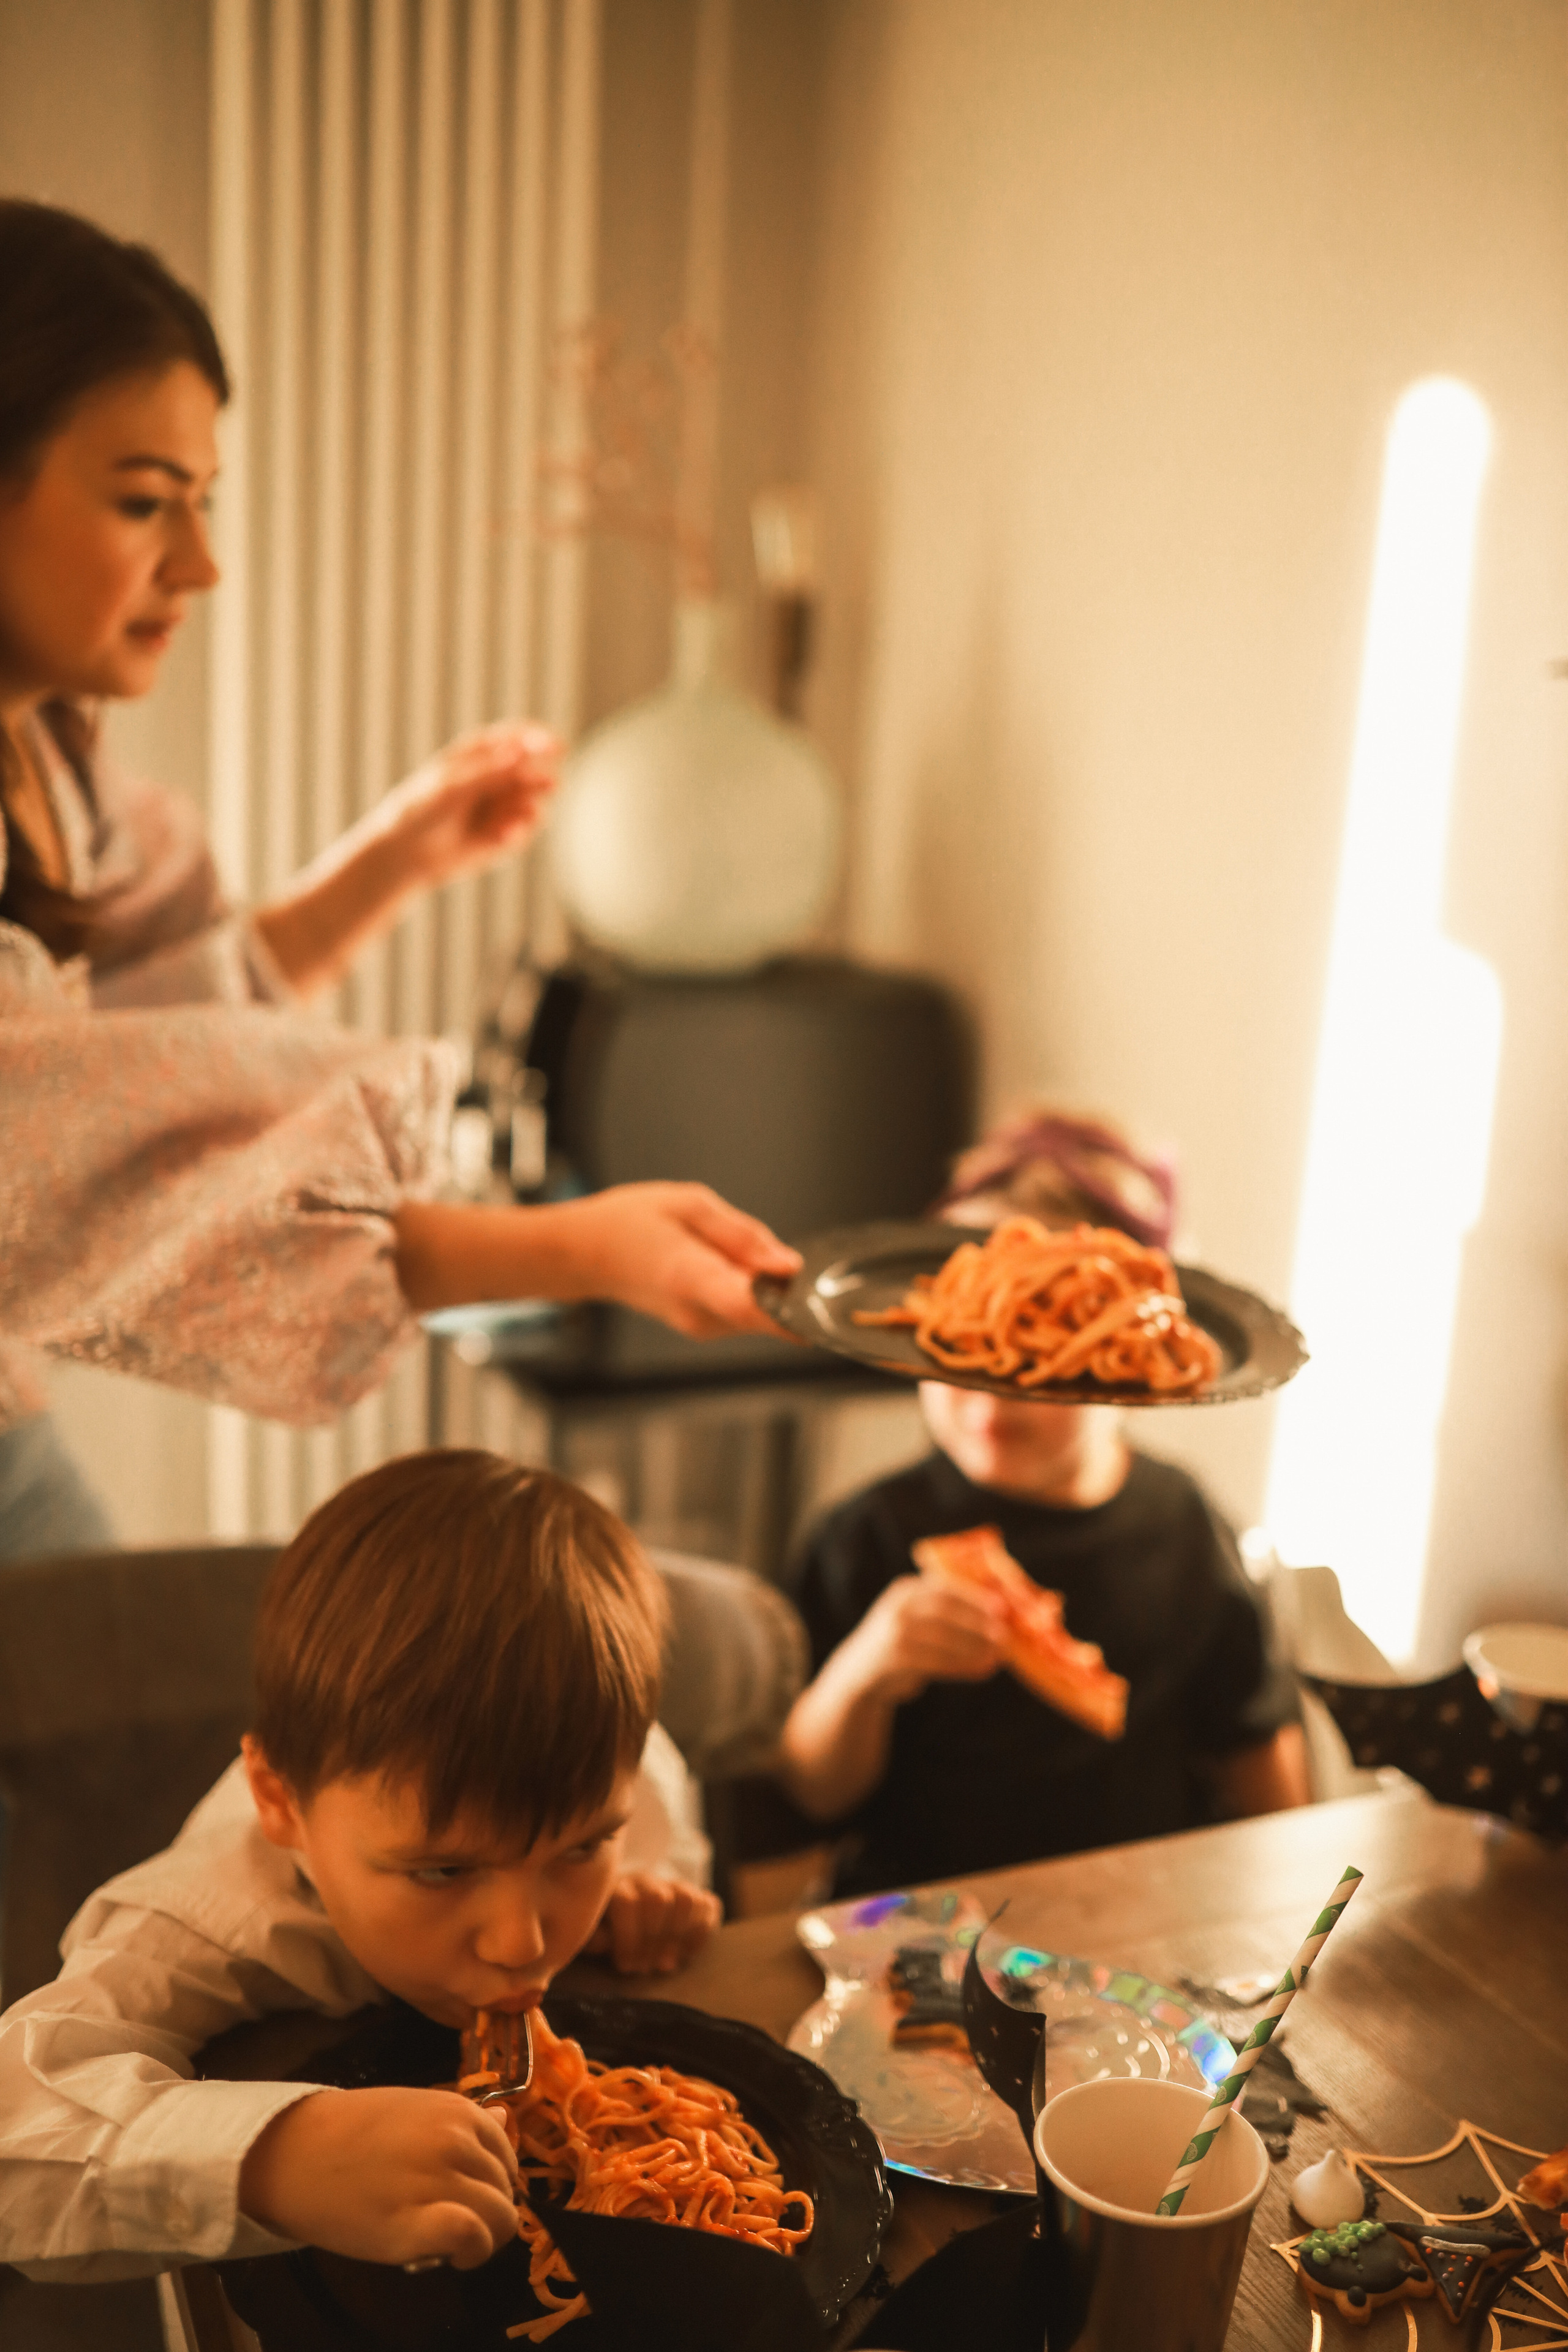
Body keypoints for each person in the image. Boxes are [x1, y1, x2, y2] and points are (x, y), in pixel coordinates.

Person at [0, 200, 797, 1560]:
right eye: (143, 502)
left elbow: (146, 1028)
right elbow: (96, 1179)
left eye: (203, 503)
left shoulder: (47, 746)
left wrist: (399, 857)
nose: (199, 565)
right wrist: (581, 1253)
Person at [0, 1448, 725, 2282]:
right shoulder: (215, 1912)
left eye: (582, 1847)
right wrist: (275, 2160)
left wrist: (642, 1888)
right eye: (443, 1872)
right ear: (282, 1803)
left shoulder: (619, 1763)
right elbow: (18, 2127)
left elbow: (658, 1794)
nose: (521, 1944)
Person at [776, 1108, 1310, 1896]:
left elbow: (1256, 1753)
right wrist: (866, 1672)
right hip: (920, 1914)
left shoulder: (1186, 1528)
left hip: (1137, 1915)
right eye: (965, 1361)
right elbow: (810, 1791)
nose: (990, 1407)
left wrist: (1293, 1900)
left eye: (1042, 1372)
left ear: (1123, 1365)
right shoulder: (866, 1534)